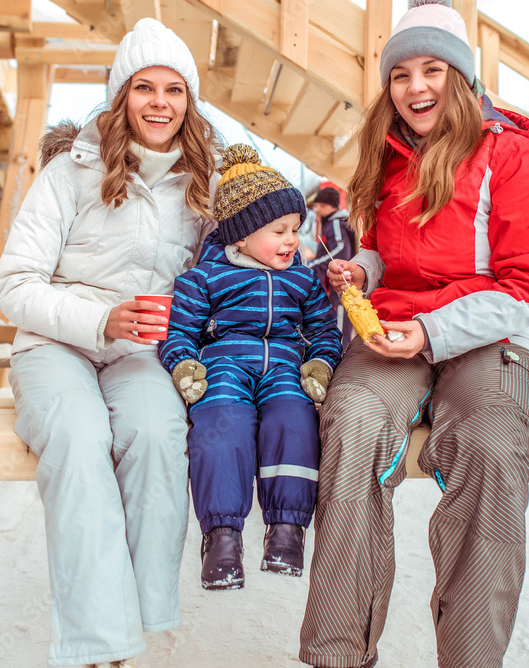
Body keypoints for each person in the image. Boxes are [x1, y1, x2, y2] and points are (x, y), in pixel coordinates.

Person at [298, 1, 529, 667]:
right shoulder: (391, 162)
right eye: (401, 74)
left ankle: (472, 657)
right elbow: (393, 255)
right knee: (354, 419)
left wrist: (429, 330)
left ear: (465, 80)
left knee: (491, 443)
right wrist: (359, 269)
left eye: (433, 70)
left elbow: (527, 288)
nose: (415, 87)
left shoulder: (513, 160)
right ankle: (338, 654)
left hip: (489, 338)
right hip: (396, 330)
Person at [0, 18, 222, 668]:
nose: (159, 103)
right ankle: (100, 646)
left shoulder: (199, 185)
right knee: (81, 438)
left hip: (141, 352)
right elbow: (13, 286)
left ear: (189, 102)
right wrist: (99, 321)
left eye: (174, 90)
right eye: (144, 87)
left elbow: (238, 265)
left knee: (155, 434)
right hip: (57, 344)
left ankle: (138, 617)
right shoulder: (70, 173)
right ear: (121, 96)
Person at [157, 145, 343, 591]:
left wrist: (319, 362)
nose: (292, 240)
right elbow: (178, 331)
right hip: (224, 369)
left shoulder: (302, 280)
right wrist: (183, 364)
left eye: (296, 229)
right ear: (240, 235)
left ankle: (286, 531)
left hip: (283, 369)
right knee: (222, 424)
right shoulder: (205, 278)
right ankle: (222, 538)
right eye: (279, 230)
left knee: (293, 419)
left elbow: (324, 330)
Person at [305, 187, 356, 342]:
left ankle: (339, 358)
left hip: (341, 280)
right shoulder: (335, 222)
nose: (317, 210)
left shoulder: (335, 222)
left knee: (340, 323)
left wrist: (312, 264)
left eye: (321, 206)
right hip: (341, 280)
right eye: (316, 206)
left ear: (332, 207)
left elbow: (340, 250)